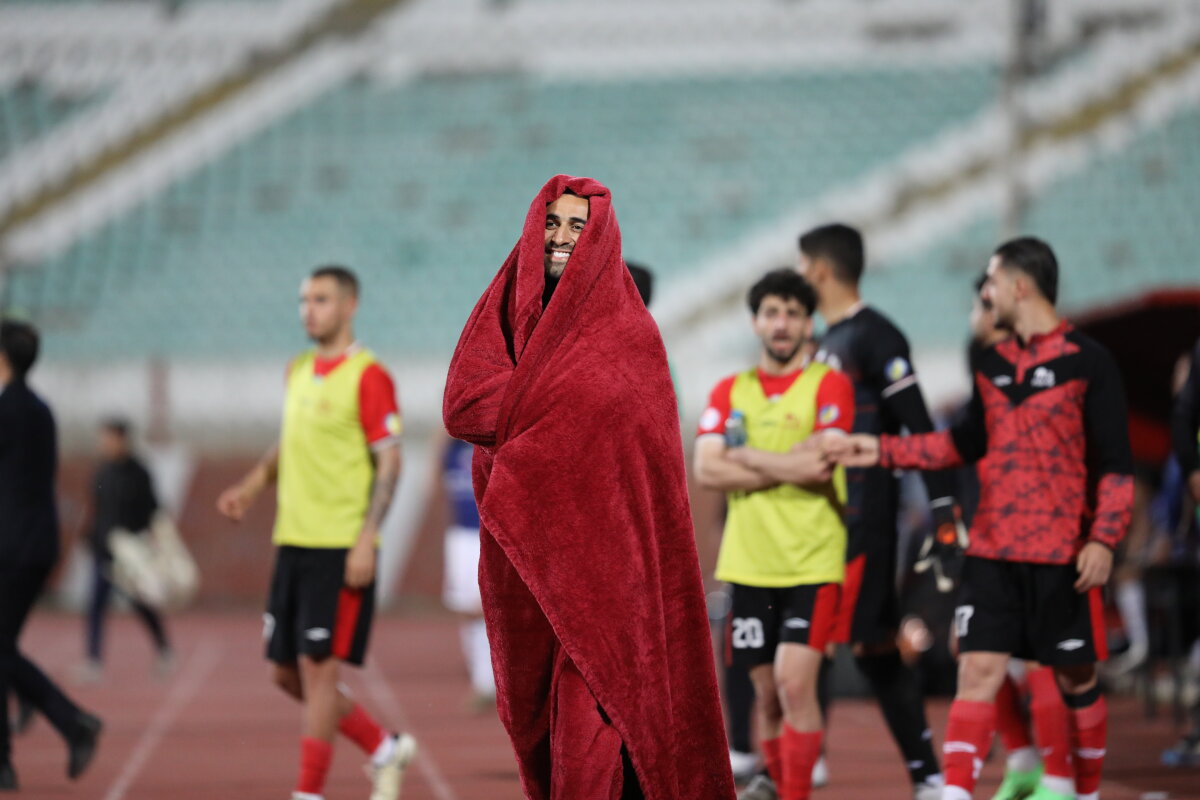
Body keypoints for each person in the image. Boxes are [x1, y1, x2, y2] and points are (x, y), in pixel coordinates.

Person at [443, 175, 735, 800]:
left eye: (578, 227)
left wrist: (534, 409)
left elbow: (642, 465)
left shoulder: (633, 341)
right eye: (552, 223)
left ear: (600, 240)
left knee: (601, 729)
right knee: (543, 725)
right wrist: (553, 406)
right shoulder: (505, 316)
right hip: (531, 564)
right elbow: (464, 406)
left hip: (611, 578)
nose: (561, 237)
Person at [826, 237, 1134, 800]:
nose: (984, 293)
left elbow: (1116, 465)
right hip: (992, 551)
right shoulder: (992, 365)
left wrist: (1104, 540)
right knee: (976, 671)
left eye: (990, 282)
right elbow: (962, 443)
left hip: (1061, 555)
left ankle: (1081, 792)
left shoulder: (1089, 362)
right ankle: (957, 792)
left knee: (1076, 678)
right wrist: (881, 450)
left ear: (1020, 286)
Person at [216, 266, 414, 800]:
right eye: (304, 300)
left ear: (350, 305)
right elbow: (291, 440)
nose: (308, 309)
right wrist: (251, 485)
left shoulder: (369, 375)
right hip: (293, 541)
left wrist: (365, 538)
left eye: (321, 299)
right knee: (284, 674)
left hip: (339, 547)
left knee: (321, 673)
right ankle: (384, 748)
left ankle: (309, 793)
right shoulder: (298, 369)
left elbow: (391, 462)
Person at [796, 223, 952, 798]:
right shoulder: (824, 342)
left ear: (820, 270)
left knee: (871, 646)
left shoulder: (876, 335)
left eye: (803, 266)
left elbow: (921, 427)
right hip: (817, 521)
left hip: (865, 519)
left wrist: (944, 508)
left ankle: (927, 774)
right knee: (806, 641)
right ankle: (802, 763)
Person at [693, 269, 854, 800]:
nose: (781, 324)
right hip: (749, 565)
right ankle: (781, 783)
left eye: (792, 314)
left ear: (809, 324)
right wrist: (788, 462)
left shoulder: (829, 384)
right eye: (771, 313)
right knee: (766, 695)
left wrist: (744, 456)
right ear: (756, 322)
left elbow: (820, 466)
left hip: (811, 561)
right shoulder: (730, 390)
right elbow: (707, 469)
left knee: (793, 683)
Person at [0, 319, 103, 791]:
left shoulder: (8, 410)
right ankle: (68, 724)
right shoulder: (38, 408)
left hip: (12, 546)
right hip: (32, 542)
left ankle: (68, 724)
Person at [79, 418, 173, 682]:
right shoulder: (102, 471)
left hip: (131, 553)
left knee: (140, 603)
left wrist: (150, 543)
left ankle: (164, 649)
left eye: (109, 439)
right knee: (96, 605)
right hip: (104, 550)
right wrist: (89, 536)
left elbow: (153, 509)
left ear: (123, 439)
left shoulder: (139, 472)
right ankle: (93, 660)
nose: (105, 444)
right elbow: (95, 507)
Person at [440, 436, 495, 708]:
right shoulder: (449, 449)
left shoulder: (488, 444)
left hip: (484, 534)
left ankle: (486, 681)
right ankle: (481, 671)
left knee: (482, 607)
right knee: (464, 608)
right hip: (459, 534)